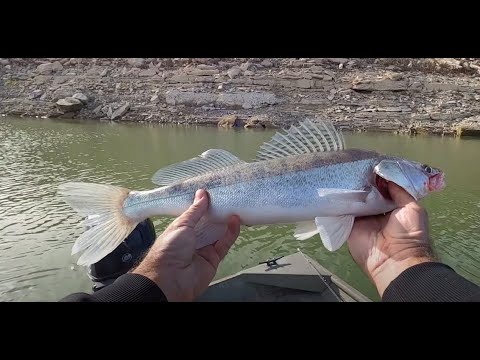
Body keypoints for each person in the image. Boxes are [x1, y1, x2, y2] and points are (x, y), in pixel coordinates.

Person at [60, 182, 480, 302]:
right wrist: (408, 259)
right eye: (424, 171)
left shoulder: (366, 193)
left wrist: (154, 285)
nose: (433, 177)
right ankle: (128, 205)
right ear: (389, 172)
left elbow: (332, 220)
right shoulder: (368, 178)